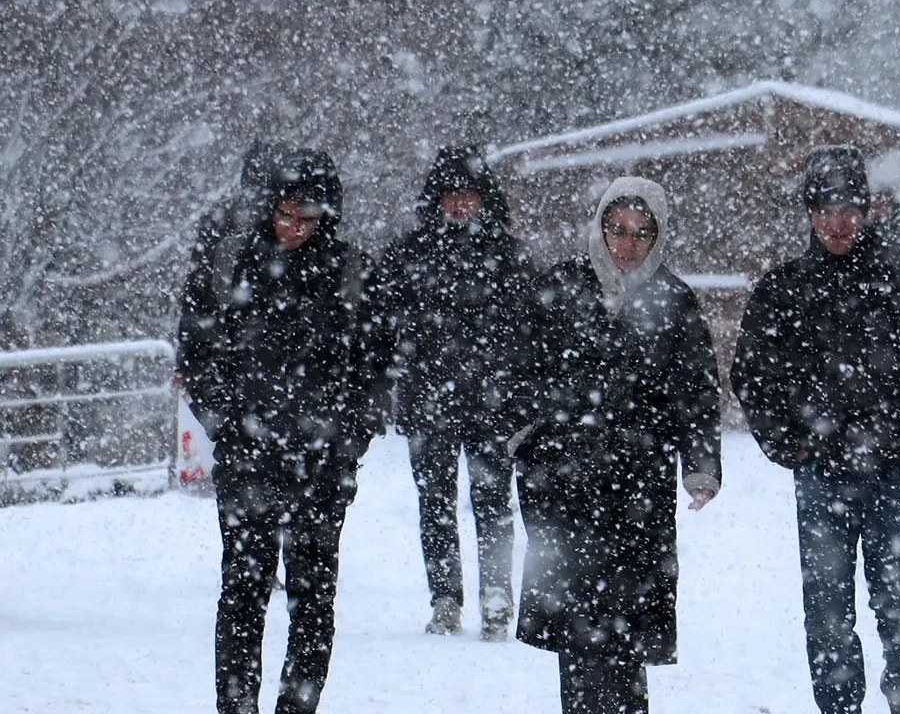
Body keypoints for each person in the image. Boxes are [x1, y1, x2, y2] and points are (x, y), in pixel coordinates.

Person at [731, 145, 900, 714]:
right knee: (827, 609)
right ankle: (838, 706)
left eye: (847, 210)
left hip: (896, 472)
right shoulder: (784, 289)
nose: (836, 223)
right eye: (823, 210)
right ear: (809, 215)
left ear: (867, 211)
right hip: (821, 474)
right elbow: (753, 374)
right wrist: (785, 440)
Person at [504, 177, 721, 714]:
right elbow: (518, 371)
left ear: (658, 235)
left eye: (641, 233)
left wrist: (700, 465)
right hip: (563, 484)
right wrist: (524, 432)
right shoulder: (559, 287)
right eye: (617, 230)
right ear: (599, 228)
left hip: (637, 490)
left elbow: (694, 391)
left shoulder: (673, 299)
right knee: (577, 630)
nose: (627, 244)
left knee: (627, 627)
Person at [177, 148, 378, 714]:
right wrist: (226, 425)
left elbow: (374, 367)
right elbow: (196, 351)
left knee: (312, 599)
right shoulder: (229, 264)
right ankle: (235, 706)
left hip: (322, 464)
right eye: (287, 213)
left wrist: (348, 439)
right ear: (270, 206)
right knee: (242, 595)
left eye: (308, 218)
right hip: (248, 458)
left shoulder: (351, 273)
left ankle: (298, 706)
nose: (295, 228)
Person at [367, 145, 534, 640]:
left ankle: (497, 595)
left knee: (494, 502)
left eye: (470, 195)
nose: (461, 205)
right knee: (435, 502)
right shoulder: (406, 257)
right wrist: (386, 384)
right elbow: (380, 329)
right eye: (451, 195)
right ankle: (444, 595)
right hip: (427, 403)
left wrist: (523, 396)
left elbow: (531, 335)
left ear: (486, 200)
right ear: (435, 200)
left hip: (493, 405)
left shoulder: (511, 259)